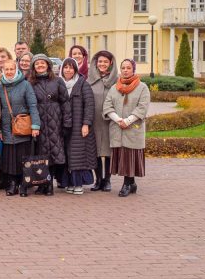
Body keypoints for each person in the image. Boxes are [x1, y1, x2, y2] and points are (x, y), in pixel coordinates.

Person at [103, 59, 150, 197]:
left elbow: (142, 107)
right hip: (118, 128)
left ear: (133, 69)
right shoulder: (114, 88)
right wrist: (118, 120)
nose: (125, 70)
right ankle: (132, 183)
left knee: (130, 156)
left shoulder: (142, 87)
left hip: (133, 128)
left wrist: (128, 120)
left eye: (128, 68)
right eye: (123, 67)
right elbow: (107, 106)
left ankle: (127, 184)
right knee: (123, 157)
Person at [29, 54, 70, 195]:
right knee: (40, 153)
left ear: (47, 65)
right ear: (33, 67)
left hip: (55, 121)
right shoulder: (30, 82)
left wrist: (66, 123)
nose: (40, 65)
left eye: (42, 63)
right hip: (39, 121)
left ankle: (50, 183)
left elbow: (65, 102)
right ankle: (42, 183)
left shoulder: (57, 81)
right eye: (37, 64)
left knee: (53, 154)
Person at [0, 60, 40, 196]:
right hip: (7, 127)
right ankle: (12, 183)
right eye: (7, 69)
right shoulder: (0, 86)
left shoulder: (25, 85)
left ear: (16, 70)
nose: (9, 72)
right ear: (3, 70)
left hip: (23, 127)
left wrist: (35, 125)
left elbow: (33, 105)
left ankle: (24, 184)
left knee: (23, 157)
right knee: (9, 158)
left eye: (11, 69)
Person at [60, 58, 97, 194]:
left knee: (78, 156)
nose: (68, 70)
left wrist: (86, 124)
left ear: (75, 70)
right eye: (65, 67)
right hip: (64, 126)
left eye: (71, 67)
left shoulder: (83, 84)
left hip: (78, 126)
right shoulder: (60, 84)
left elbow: (89, 106)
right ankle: (69, 182)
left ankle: (78, 184)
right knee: (67, 155)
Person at [87, 50, 117, 191]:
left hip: (111, 121)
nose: (102, 64)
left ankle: (107, 180)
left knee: (109, 151)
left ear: (111, 63)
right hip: (94, 121)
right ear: (95, 63)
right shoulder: (89, 81)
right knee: (96, 152)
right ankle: (98, 180)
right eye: (100, 61)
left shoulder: (116, 81)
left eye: (105, 61)